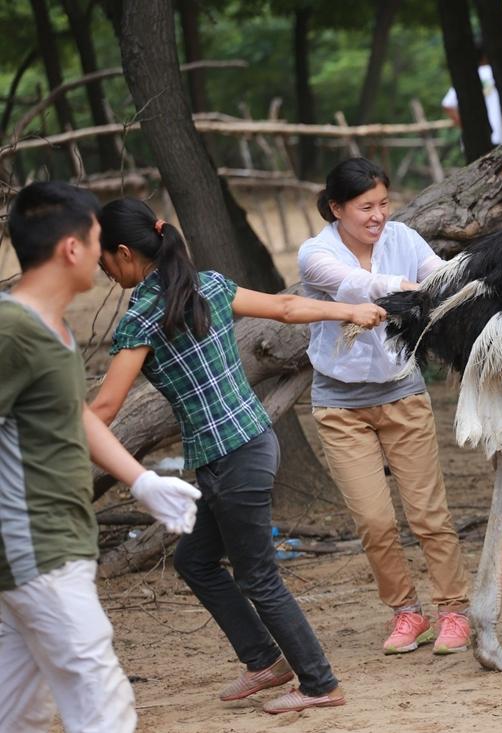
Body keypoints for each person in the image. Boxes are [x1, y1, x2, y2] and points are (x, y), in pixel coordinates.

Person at [89, 198, 384, 714]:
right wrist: (349, 310)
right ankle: (265, 661)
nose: (104, 272)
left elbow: (107, 406)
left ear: (123, 252)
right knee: (196, 560)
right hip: (244, 444)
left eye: (104, 261)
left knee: (258, 576)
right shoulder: (207, 284)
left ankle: (319, 683)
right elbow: (288, 308)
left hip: (231, 458)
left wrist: (51, 434)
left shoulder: (141, 318)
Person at [0, 182, 200, 732]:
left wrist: (142, 482)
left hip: (43, 548)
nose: (102, 253)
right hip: (35, 547)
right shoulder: (12, 331)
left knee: (19, 711)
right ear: (71, 249)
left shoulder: (48, 328)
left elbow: (78, 415)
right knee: (101, 698)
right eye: (95, 241)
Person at [299, 158, 472, 656]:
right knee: (374, 521)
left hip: (401, 392)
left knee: (428, 514)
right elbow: (353, 286)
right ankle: (406, 613)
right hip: (339, 405)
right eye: (364, 207)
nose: (377, 216)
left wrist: (452, 286)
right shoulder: (317, 253)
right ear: (336, 208)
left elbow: (441, 278)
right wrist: (409, 290)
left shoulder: (403, 239)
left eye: (382, 204)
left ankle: (453, 610)